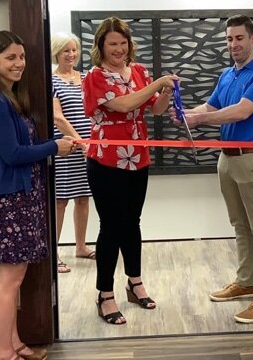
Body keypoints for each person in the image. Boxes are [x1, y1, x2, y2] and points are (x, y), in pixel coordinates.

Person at [0, 30, 75, 360]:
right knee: (9, 281)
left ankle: (13, 343)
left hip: (22, 197)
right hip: (8, 199)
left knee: (15, 280)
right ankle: (4, 353)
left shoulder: (8, 98)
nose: (19, 64)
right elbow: (13, 154)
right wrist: (55, 147)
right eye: (10, 58)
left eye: (22, 57)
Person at [175, 15, 253, 324]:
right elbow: (210, 108)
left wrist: (198, 120)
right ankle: (246, 282)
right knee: (241, 225)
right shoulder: (227, 74)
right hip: (228, 159)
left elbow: (241, 111)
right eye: (229, 39)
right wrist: (186, 113)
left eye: (239, 38)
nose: (234, 44)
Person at [82, 17, 177, 325]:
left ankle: (135, 283)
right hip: (106, 158)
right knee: (111, 225)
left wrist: (165, 92)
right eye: (112, 44)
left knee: (132, 222)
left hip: (138, 156)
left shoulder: (138, 71)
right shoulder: (94, 76)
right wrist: (157, 83)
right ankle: (105, 295)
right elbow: (122, 105)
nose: (119, 49)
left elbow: (156, 109)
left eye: (123, 43)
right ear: (101, 46)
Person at [50, 32, 94, 274]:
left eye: (74, 49)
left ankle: (80, 246)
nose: (71, 54)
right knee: (61, 201)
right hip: (66, 148)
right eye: (66, 50)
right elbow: (57, 117)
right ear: (56, 52)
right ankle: (53, 254)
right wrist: (79, 140)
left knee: (83, 198)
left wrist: (89, 142)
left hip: (87, 147)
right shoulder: (51, 81)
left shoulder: (86, 77)